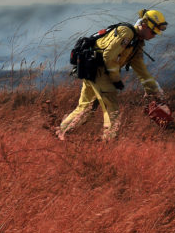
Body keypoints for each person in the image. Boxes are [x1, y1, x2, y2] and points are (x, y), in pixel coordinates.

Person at [57, 8, 167, 141]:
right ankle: (109, 142)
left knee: (86, 108)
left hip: (94, 71)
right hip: (99, 71)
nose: (154, 35)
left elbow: (141, 69)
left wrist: (154, 90)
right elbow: (108, 56)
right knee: (112, 109)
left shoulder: (136, 43)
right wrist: (115, 79)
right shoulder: (126, 33)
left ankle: (61, 131)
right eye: (153, 31)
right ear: (144, 24)